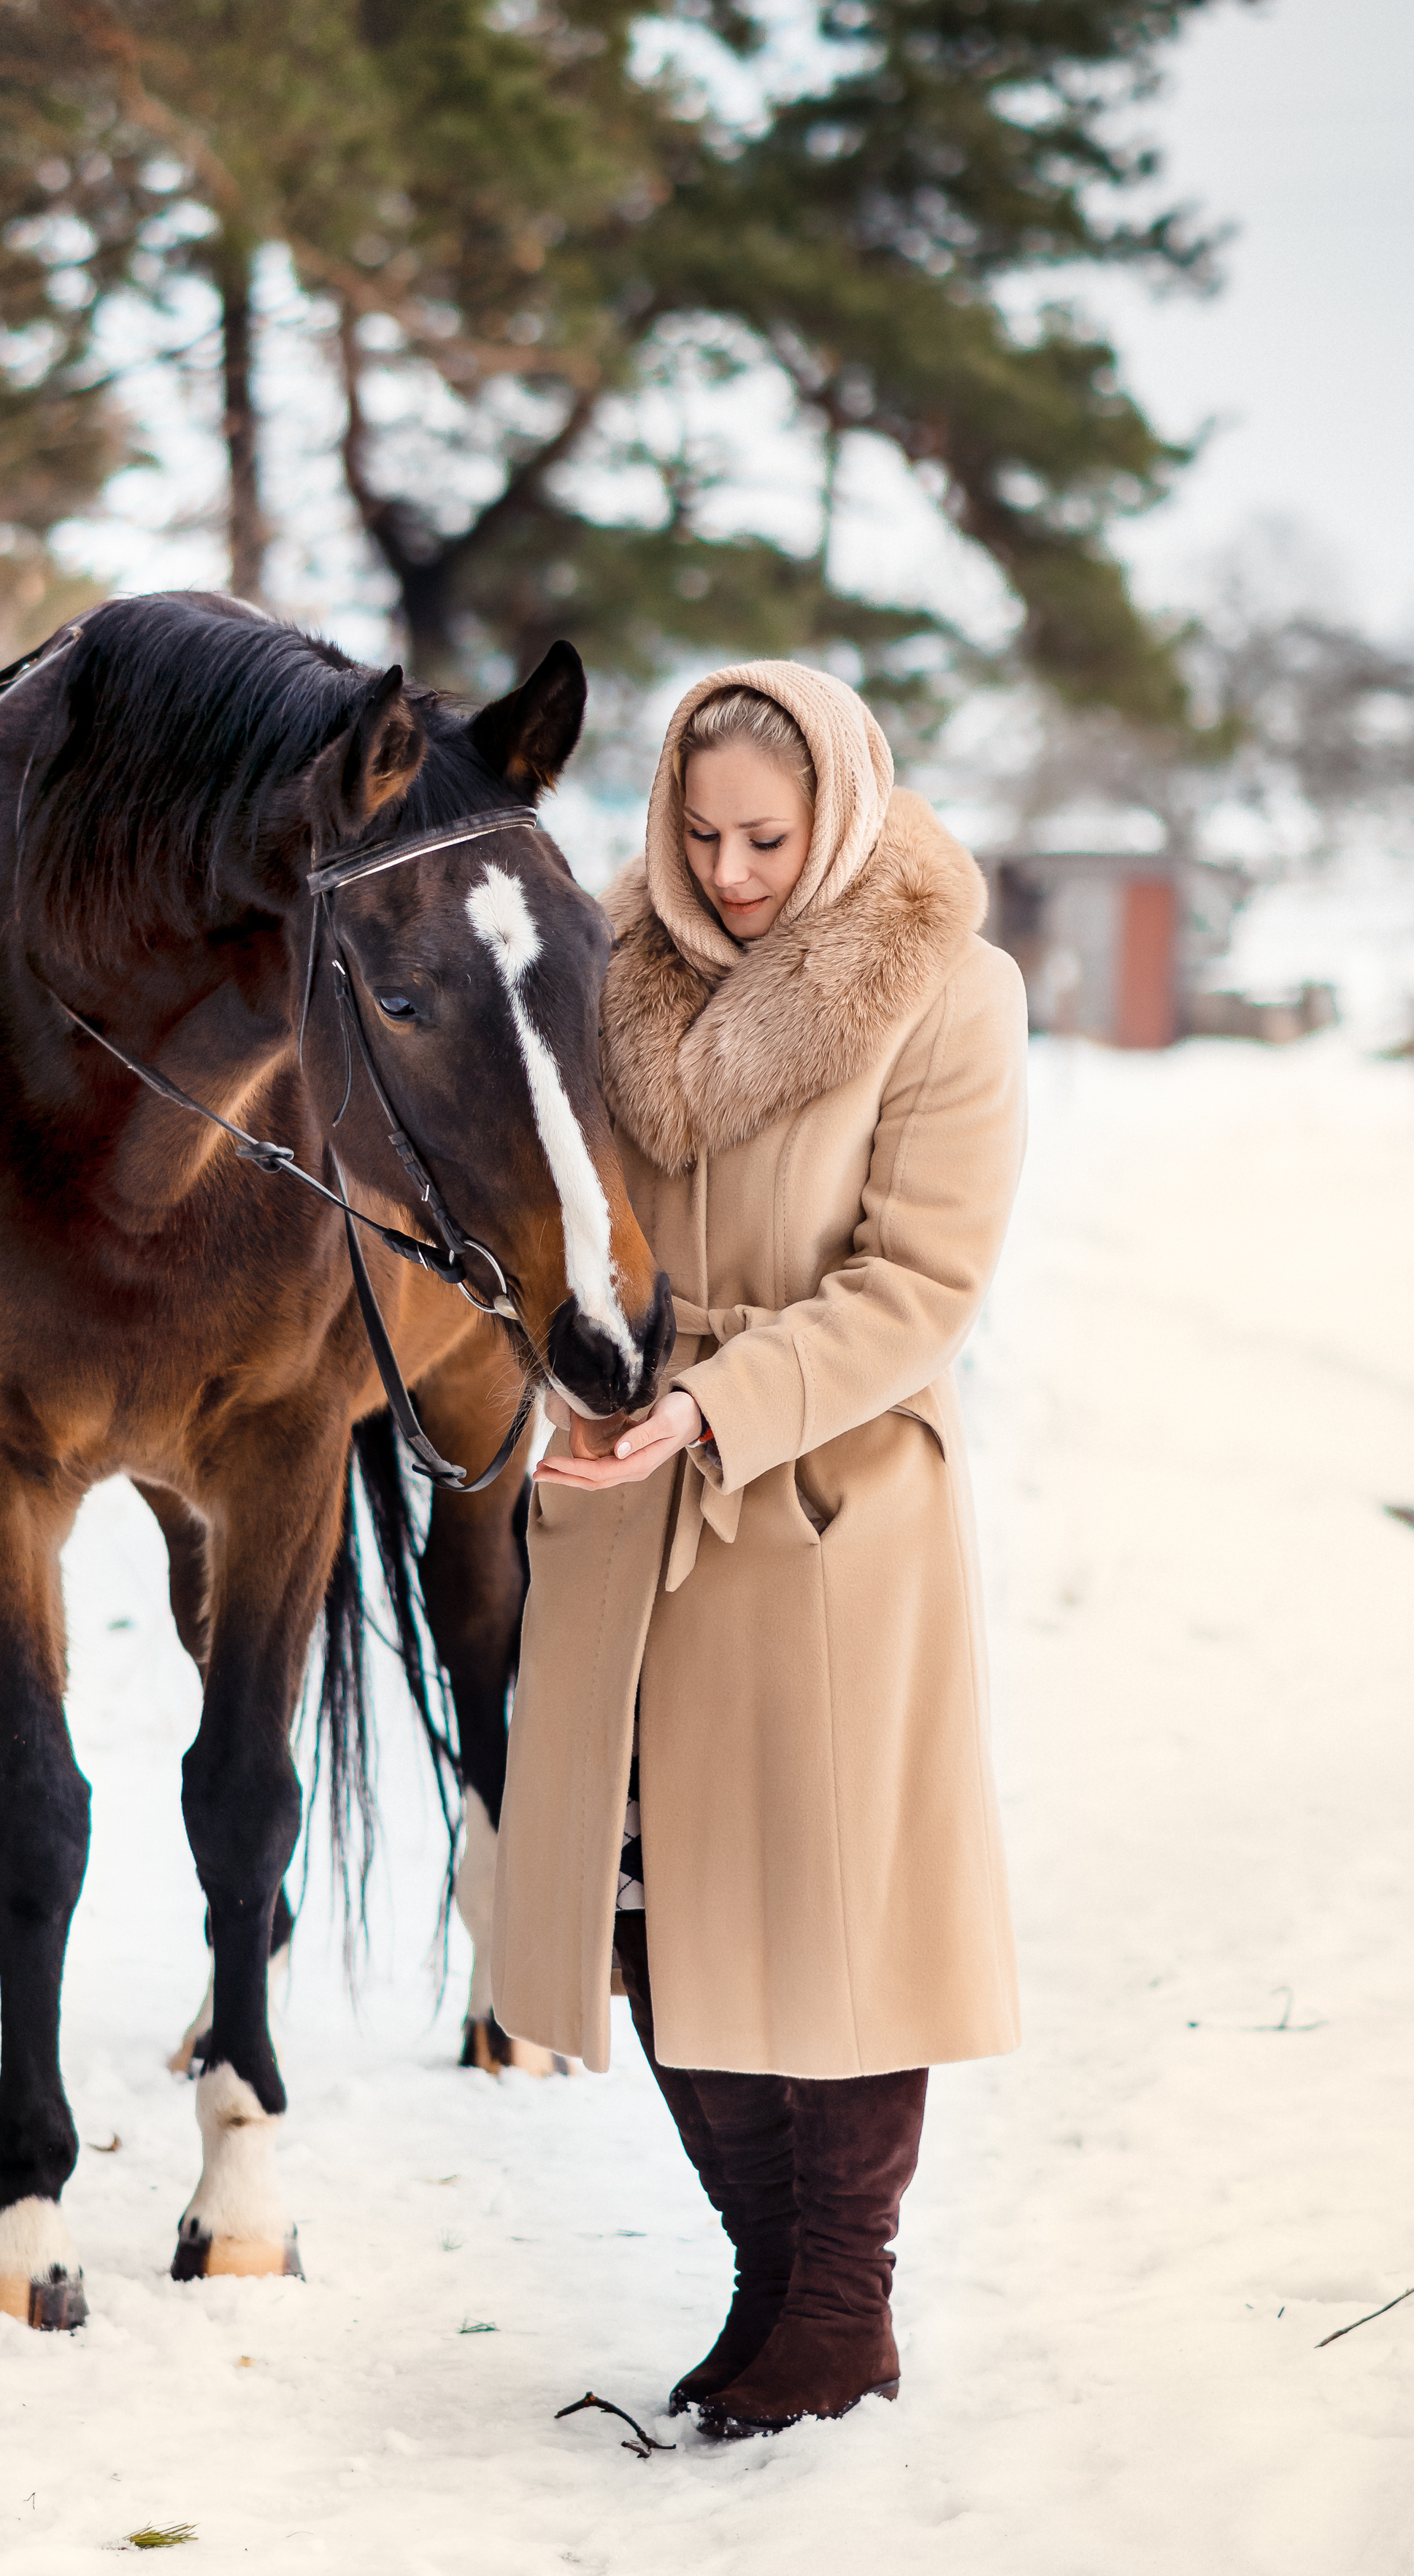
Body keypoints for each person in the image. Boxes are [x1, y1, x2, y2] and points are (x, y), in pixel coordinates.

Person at [489, 662, 1029, 2437]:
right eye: (700, 834)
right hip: (625, 1488)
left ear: (845, 815)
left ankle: (843, 2304)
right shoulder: (612, 980)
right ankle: (766, 2281)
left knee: (829, 1911)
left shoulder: (948, 995)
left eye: (766, 839)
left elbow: (922, 1287)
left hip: (821, 1496)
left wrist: (723, 1407)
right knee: (658, 1907)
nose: (729, 871)